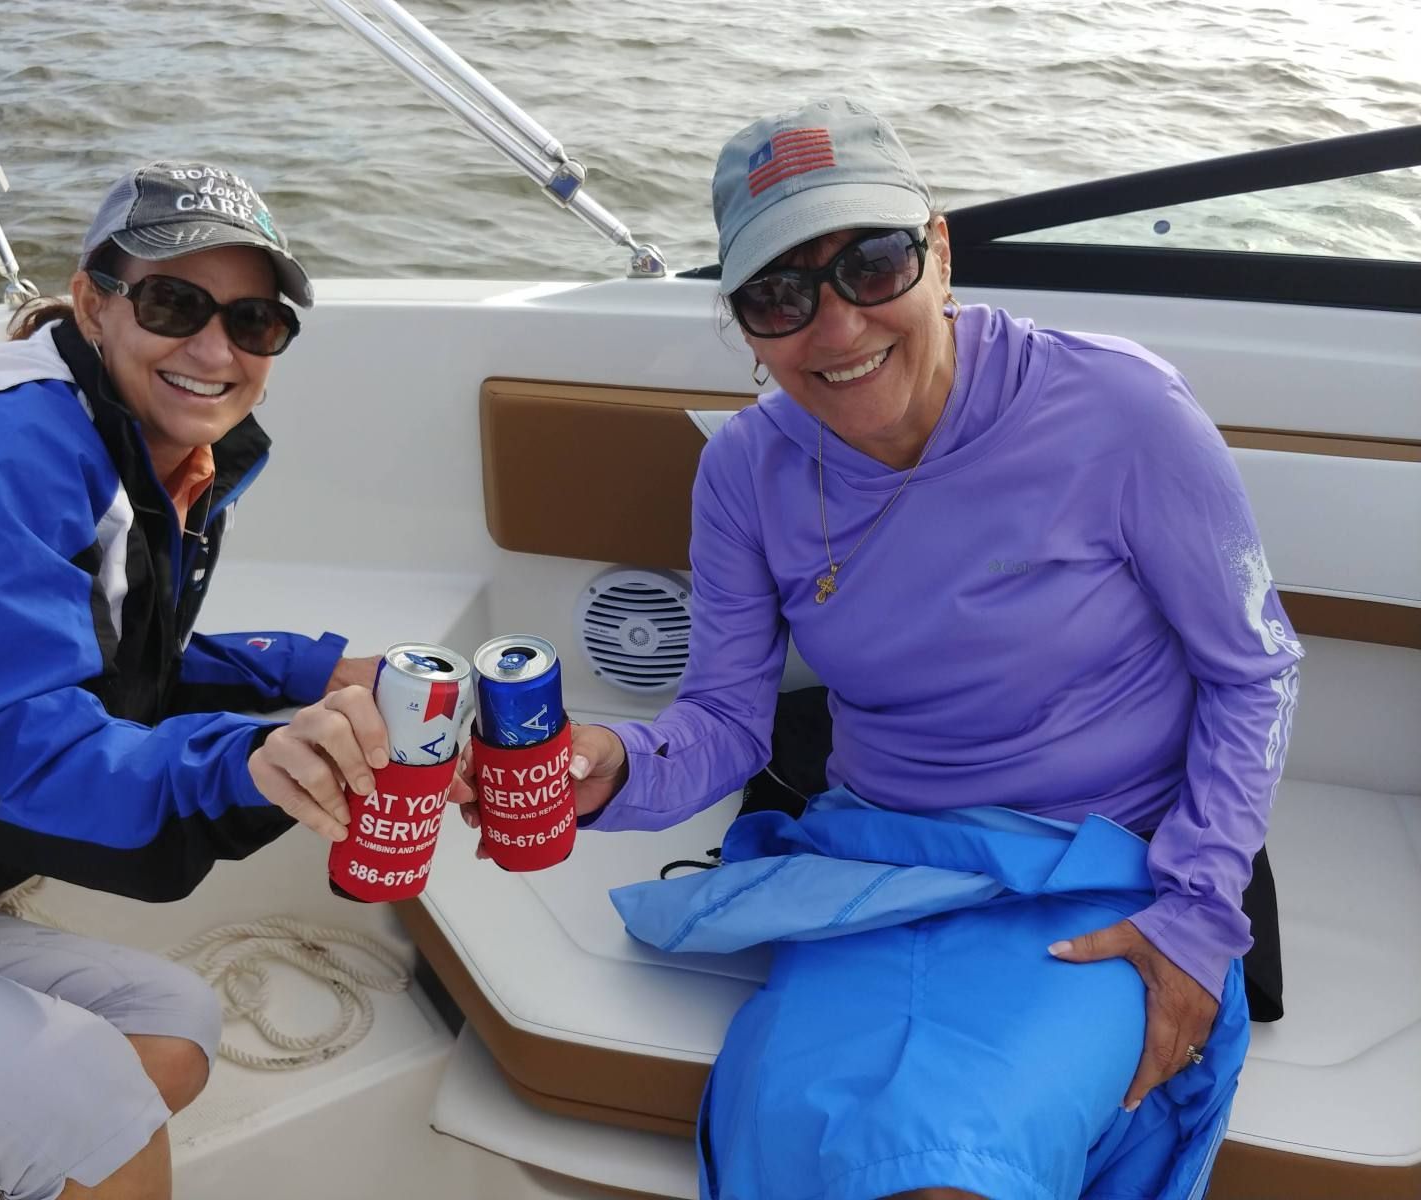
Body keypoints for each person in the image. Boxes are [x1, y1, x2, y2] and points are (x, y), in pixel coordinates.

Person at [462, 98, 1302, 1200]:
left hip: (1105, 868)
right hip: (871, 871)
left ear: (939, 252)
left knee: (944, 1173)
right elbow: (725, 724)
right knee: (809, 1147)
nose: (837, 327)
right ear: (744, 324)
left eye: (871, 264)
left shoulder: (1120, 407)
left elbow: (1255, 671)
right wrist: (611, 766)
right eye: (778, 294)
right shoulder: (744, 471)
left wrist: (1195, 916)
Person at [0, 161, 437, 1200]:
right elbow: (19, 754)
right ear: (93, 302)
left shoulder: (150, 451)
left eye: (254, 320)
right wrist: (254, 763)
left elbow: (107, 661)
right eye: (173, 304)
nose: (216, 350)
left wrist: (311, 670)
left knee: (169, 1032)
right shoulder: (9, 450)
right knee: (97, 1113)